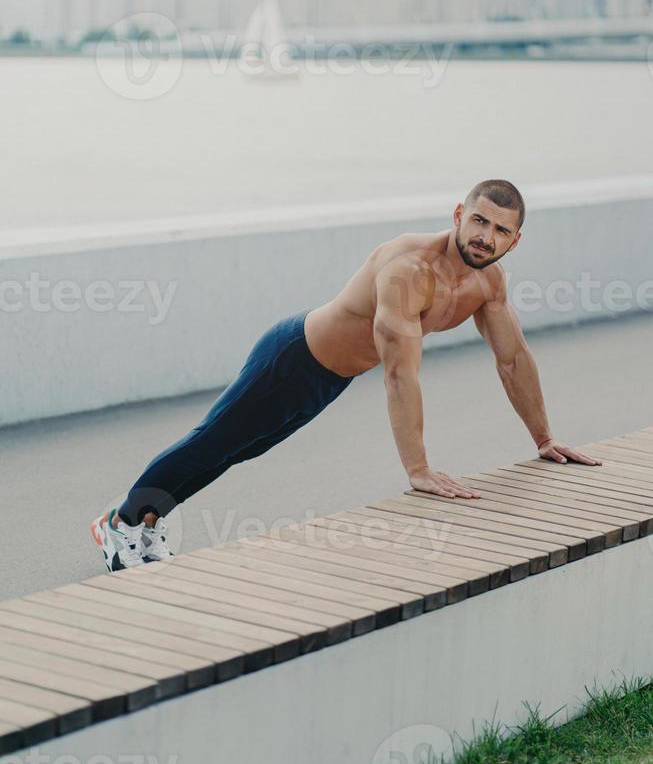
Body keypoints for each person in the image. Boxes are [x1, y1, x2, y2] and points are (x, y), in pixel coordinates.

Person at [91, 179, 600, 572]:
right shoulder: (409, 270)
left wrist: (544, 437)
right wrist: (418, 470)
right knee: (213, 441)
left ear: (516, 239)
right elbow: (400, 376)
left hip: (330, 378)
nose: (486, 237)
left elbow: (512, 359)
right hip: (291, 359)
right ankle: (121, 524)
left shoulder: (488, 282)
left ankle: (149, 517)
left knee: (237, 450)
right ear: (459, 214)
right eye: (480, 222)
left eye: (500, 230)